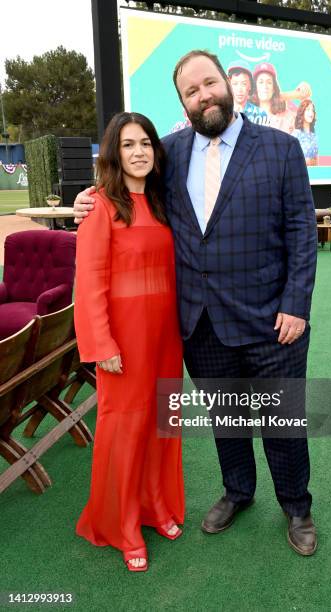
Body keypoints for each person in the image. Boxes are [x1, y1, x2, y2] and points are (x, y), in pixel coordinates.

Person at [74, 50, 318, 556]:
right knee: (227, 421)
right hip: (201, 324)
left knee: (280, 422)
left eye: (209, 84)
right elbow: (127, 180)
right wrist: (89, 196)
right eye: (191, 91)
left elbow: (301, 233)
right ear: (183, 102)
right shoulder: (171, 153)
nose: (203, 95)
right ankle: (237, 492)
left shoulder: (280, 147)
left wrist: (295, 304)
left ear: (228, 85)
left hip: (274, 322)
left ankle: (296, 507)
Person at [74, 112, 184, 572]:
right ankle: (122, 526)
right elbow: (90, 282)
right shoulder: (99, 206)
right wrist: (103, 345)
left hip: (165, 339)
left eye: (145, 143)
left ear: (156, 151)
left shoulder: (162, 202)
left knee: (162, 425)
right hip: (123, 343)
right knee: (124, 432)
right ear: (113, 154)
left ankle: (155, 506)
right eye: (127, 145)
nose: (138, 152)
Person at [251, 62, 296, 133]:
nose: (265, 86)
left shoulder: (287, 117)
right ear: (255, 87)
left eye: (269, 82)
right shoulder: (246, 114)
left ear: (274, 88)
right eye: (261, 82)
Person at [292, 99, 318, 166]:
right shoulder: (296, 134)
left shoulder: (313, 135)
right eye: (308, 109)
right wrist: (308, 161)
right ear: (302, 112)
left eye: (312, 110)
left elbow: (316, 160)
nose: (311, 113)